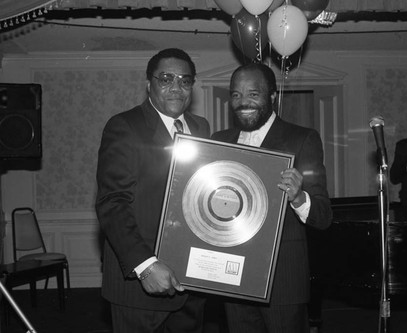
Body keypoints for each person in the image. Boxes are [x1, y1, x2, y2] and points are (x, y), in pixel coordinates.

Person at [211, 63, 332, 333]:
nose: (243, 103)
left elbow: (323, 216)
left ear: (273, 97)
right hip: (233, 274)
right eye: (236, 95)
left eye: (253, 94)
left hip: (282, 280)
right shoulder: (219, 141)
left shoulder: (302, 139)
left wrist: (299, 197)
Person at [95, 48, 210, 333]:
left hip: (191, 284)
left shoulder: (201, 128)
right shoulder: (124, 126)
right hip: (141, 288)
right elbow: (112, 203)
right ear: (149, 84)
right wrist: (145, 265)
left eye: (185, 80)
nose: (176, 87)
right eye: (166, 78)